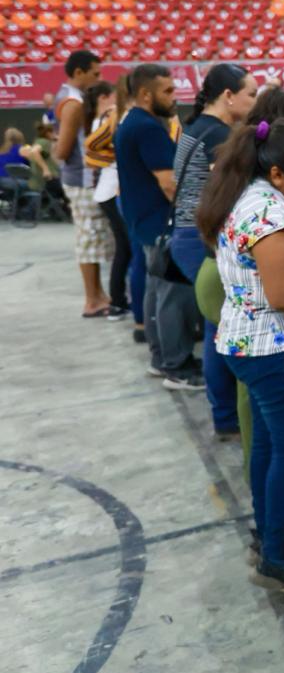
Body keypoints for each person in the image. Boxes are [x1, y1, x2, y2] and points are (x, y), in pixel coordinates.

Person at [197, 116, 284, 593]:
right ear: (278, 173)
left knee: (269, 444)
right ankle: (278, 554)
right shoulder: (269, 217)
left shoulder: (258, 196)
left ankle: (275, 528)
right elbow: (283, 296)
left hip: (252, 341)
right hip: (270, 345)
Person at [170, 64, 258, 436]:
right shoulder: (219, 136)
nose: (254, 103)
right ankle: (227, 415)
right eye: (251, 94)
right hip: (202, 239)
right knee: (225, 328)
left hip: (188, 236)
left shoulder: (193, 128)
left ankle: (224, 415)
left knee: (217, 327)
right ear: (228, 96)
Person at [114, 64, 204, 390]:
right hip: (161, 223)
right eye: (167, 91)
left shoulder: (131, 123)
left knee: (157, 291)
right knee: (173, 296)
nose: (174, 96)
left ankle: (161, 358)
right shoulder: (147, 128)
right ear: (145, 94)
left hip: (145, 221)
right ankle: (177, 366)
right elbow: (170, 184)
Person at [52, 49, 112, 318]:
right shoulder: (73, 103)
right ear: (79, 73)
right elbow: (63, 149)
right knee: (88, 239)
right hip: (81, 178)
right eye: (94, 73)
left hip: (80, 178)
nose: (98, 79)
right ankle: (92, 298)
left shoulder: (68, 98)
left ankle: (98, 295)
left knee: (91, 238)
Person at [83, 80, 131, 320]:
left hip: (109, 189)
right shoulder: (110, 116)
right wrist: (112, 159)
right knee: (125, 248)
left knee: (124, 248)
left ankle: (120, 300)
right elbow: (90, 149)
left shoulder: (101, 117)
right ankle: (118, 302)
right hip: (112, 190)